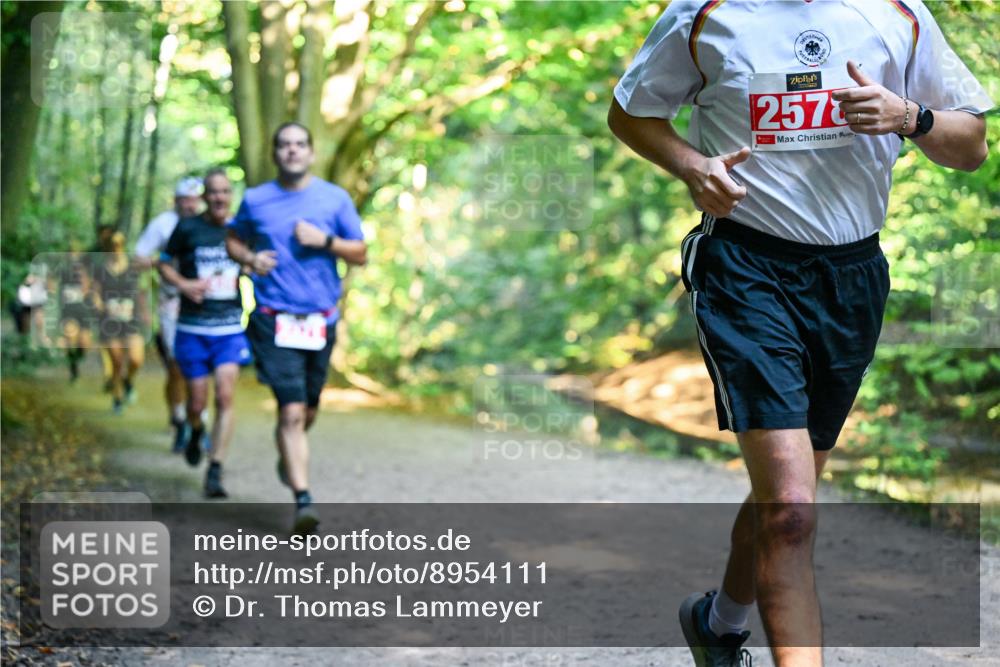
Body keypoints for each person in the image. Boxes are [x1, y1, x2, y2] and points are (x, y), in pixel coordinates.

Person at [608, 2, 992, 666]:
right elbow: (630, 113)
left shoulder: (897, 12)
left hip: (852, 279)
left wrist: (910, 116)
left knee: (788, 495)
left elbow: (972, 146)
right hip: (746, 269)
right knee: (791, 507)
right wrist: (693, 166)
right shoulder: (704, 14)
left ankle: (719, 623)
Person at [225, 122, 367, 534]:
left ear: (311, 152)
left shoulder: (335, 199)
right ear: (274, 153)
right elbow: (233, 240)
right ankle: (303, 498)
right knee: (290, 411)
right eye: (284, 145)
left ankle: (289, 457)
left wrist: (326, 242)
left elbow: (361, 253)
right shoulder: (256, 200)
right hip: (273, 319)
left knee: (307, 412)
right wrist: (249, 259)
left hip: (321, 320)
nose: (292, 151)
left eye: (300, 144)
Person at [159, 168, 250, 498]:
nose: (219, 197)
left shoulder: (241, 230)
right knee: (196, 402)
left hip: (229, 328)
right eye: (213, 192)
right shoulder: (187, 228)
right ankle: (195, 430)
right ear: (204, 197)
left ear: (231, 195)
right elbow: (163, 262)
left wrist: (252, 267)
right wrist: (184, 284)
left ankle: (215, 469)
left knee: (225, 396)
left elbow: (253, 263)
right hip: (192, 328)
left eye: (225, 191)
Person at [135, 177, 204, 451]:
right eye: (184, 199)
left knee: (200, 367)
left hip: (203, 303)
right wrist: (164, 260)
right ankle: (178, 419)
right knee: (177, 365)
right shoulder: (162, 225)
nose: (189, 205)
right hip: (172, 302)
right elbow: (138, 259)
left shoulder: (208, 224)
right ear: (175, 200)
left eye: (194, 200)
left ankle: (199, 420)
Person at [93, 231, 150, 414]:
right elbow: (95, 293)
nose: (116, 248)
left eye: (119, 244)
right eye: (113, 245)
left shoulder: (133, 267)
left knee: (136, 359)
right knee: (116, 361)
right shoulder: (101, 270)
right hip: (109, 321)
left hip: (131, 320)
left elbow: (141, 291)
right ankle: (117, 398)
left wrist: (145, 313)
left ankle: (128, 381)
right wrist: (101, 305)